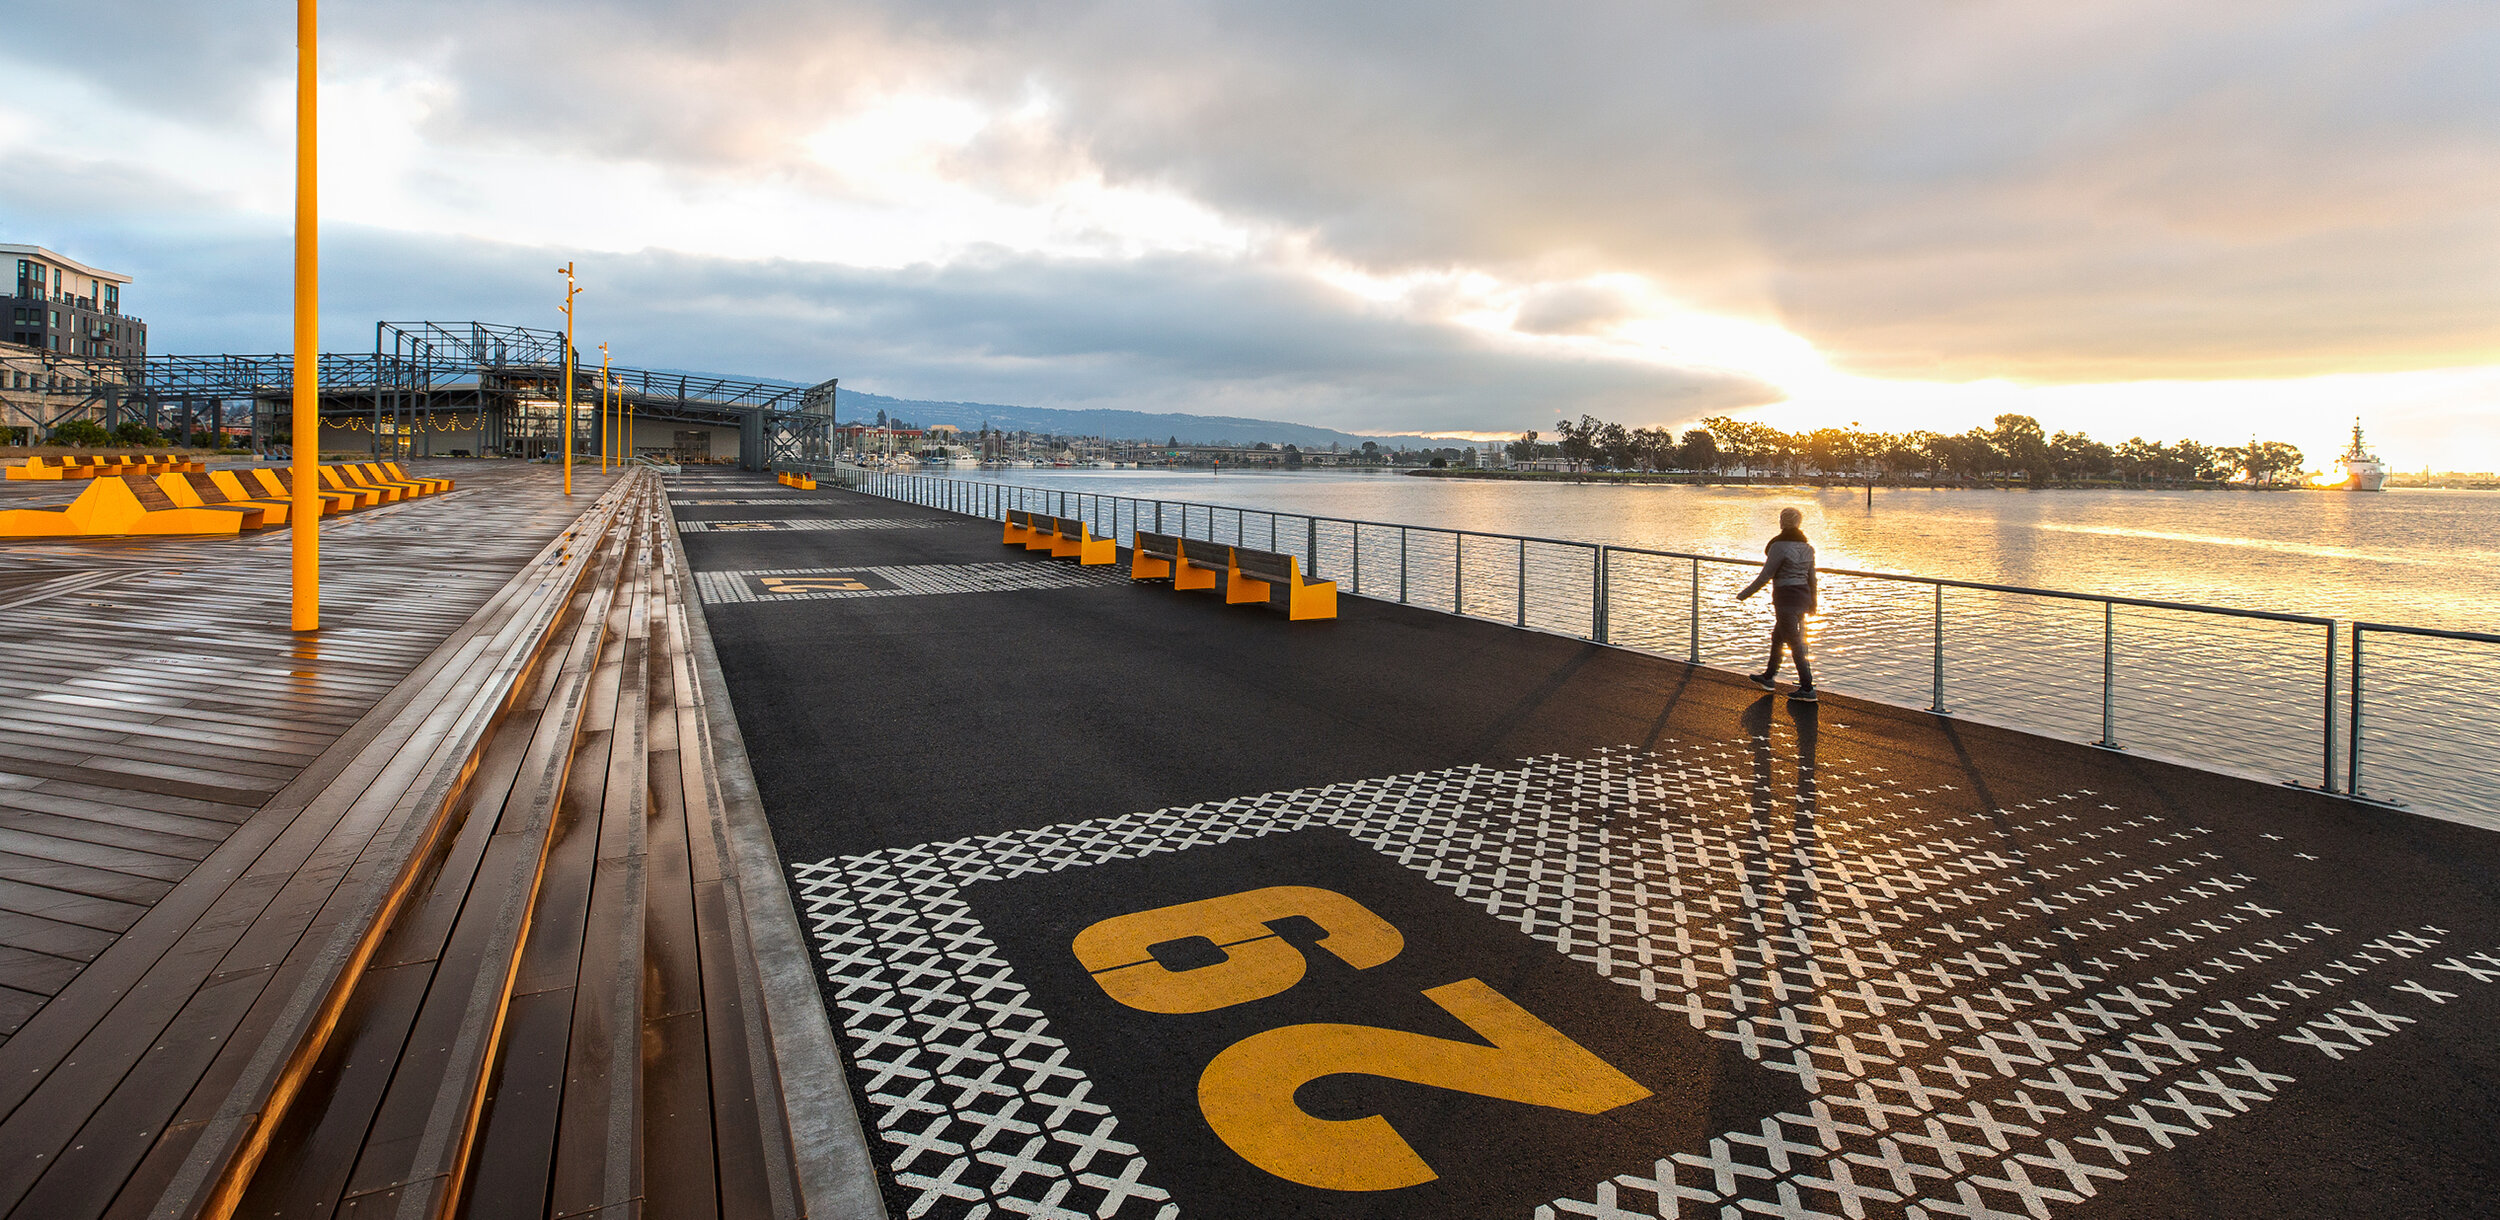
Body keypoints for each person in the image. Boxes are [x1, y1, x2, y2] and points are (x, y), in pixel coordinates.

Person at [1737, 507, 1817, 701]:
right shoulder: (1807, 548)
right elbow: (1812, 578)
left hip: (1786, 598)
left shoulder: (1778, 547)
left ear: (1782, 522)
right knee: (1778, 636)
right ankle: (1768, 677)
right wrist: (1814, 602)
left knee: (1794, 642)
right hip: (1803, 598)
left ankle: (1807, 688)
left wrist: (1745, 594)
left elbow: (1766, 574)